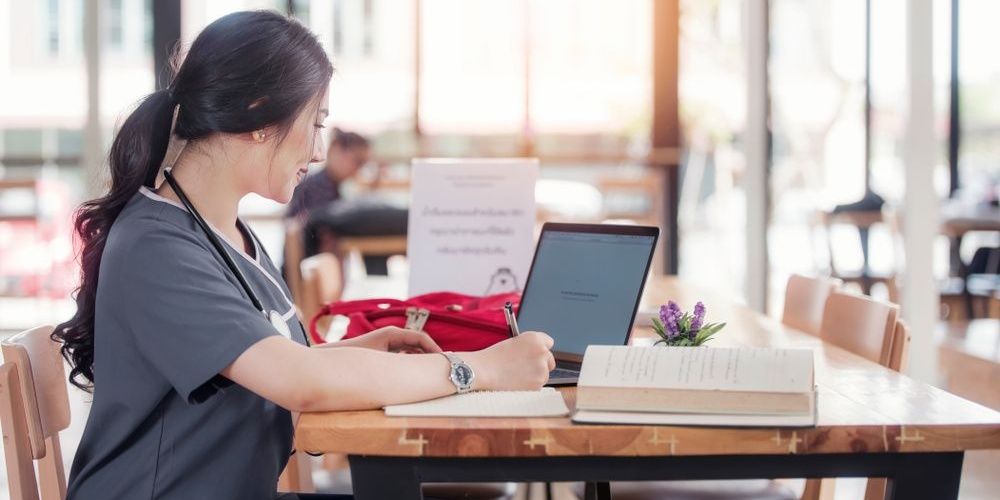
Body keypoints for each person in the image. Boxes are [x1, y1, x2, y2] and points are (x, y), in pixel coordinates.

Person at [54, 11, 554, 500]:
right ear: (259, 115)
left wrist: (359, 351)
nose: (317, 151)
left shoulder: (226, 233)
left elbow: (268, 367)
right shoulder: (157, 247)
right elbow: (298, 382)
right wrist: (479, 369)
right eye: (315, 124)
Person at [286, 128, 407, 276]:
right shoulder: (315, 187)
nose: (358, 170)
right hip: (308, 275)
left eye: (363, 164)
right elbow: (313, 229)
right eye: (358, 161)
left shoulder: (333, 187)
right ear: (335, 150)